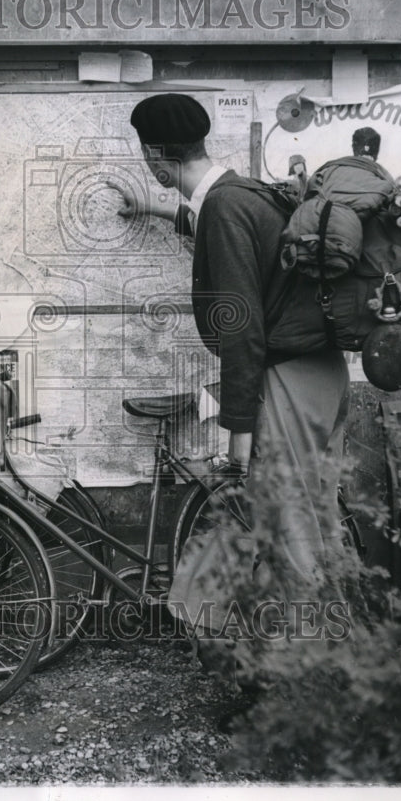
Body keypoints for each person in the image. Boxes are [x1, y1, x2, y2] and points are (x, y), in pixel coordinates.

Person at [112, 93, 351, 694]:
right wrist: (158, 211)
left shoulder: (224, 209)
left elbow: (242, 332)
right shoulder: (242, 194)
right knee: (294, 531)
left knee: (293, 541)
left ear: (155, 157)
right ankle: (283, 675)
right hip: (318, 378)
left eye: (148, 163)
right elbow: (225, 235)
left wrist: (239, 439)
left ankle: (308, 696)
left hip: (287, 384)